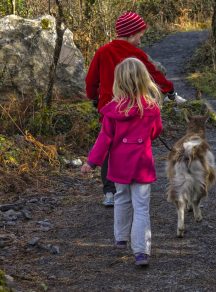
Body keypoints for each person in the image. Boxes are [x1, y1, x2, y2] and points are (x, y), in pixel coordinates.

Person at [85, 11, 186, 206]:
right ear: (131, 33)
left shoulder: (103, 51)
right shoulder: (136, 54)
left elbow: (91, 81)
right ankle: (135, 182)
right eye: (140, 35)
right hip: (135, 107)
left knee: (109, 143)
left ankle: (109, 192)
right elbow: (154, 75)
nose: (141, 39)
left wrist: (93, 98)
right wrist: (170, 90)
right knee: (134, 142)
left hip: (109, 107)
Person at [81, 57, 163, 266]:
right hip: (142, 164)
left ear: (119, 82)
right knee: (141, 206)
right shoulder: (151, 109)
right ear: (144, 80)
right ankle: (141, 251)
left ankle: (120, 238)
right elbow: (155, 132)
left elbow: (104, 139)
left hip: (119, 163)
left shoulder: (112, 110)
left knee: (121, 198)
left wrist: (91, 163)